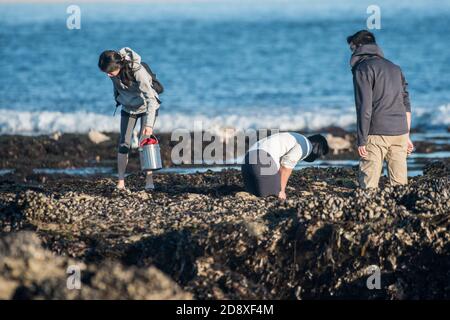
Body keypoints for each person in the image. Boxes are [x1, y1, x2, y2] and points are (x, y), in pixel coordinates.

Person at [347, 30, 414, 189]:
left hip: (376, 133)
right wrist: (407, 135)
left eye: (352, 48)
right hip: (400, 133)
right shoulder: (395, 68)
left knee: (368, 188)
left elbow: (365, 106)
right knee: (400, 188)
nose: (351, 52)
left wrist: (361, 139)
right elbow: (406, 102)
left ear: (359, 46)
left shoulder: (363, 68)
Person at [98, 47, 160, 190]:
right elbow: (118, 89)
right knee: (123, 144)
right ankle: (121, 182)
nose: (108, 75)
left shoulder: (137, 71)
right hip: (128, 108)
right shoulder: (113, 73)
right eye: (106, 73)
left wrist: (149, 126)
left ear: (118, 66)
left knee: (145, 142)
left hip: (146, 107)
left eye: (110, 72)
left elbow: (151, 99)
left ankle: (149, 181)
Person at [241, 132, 329, 200]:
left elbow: (279, 166)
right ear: (318, 149)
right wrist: (281, 191)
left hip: (246, 161)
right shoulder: (306, 145)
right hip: (261, 161)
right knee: (273, 197)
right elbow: (286, 167)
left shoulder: (295, 137)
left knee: (254, 195)